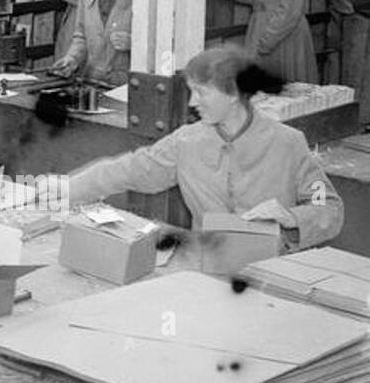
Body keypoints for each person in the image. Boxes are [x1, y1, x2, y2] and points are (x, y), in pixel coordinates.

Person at [66, 47, 343, 249]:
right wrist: (65, 189)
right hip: (208, 267)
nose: (191, 103)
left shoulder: (289, 143)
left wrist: (292, 216)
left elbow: (326, 205)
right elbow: (131, 169)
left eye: (201, 92)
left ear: (234, 94)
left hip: (271, 272)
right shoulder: (187, 141)